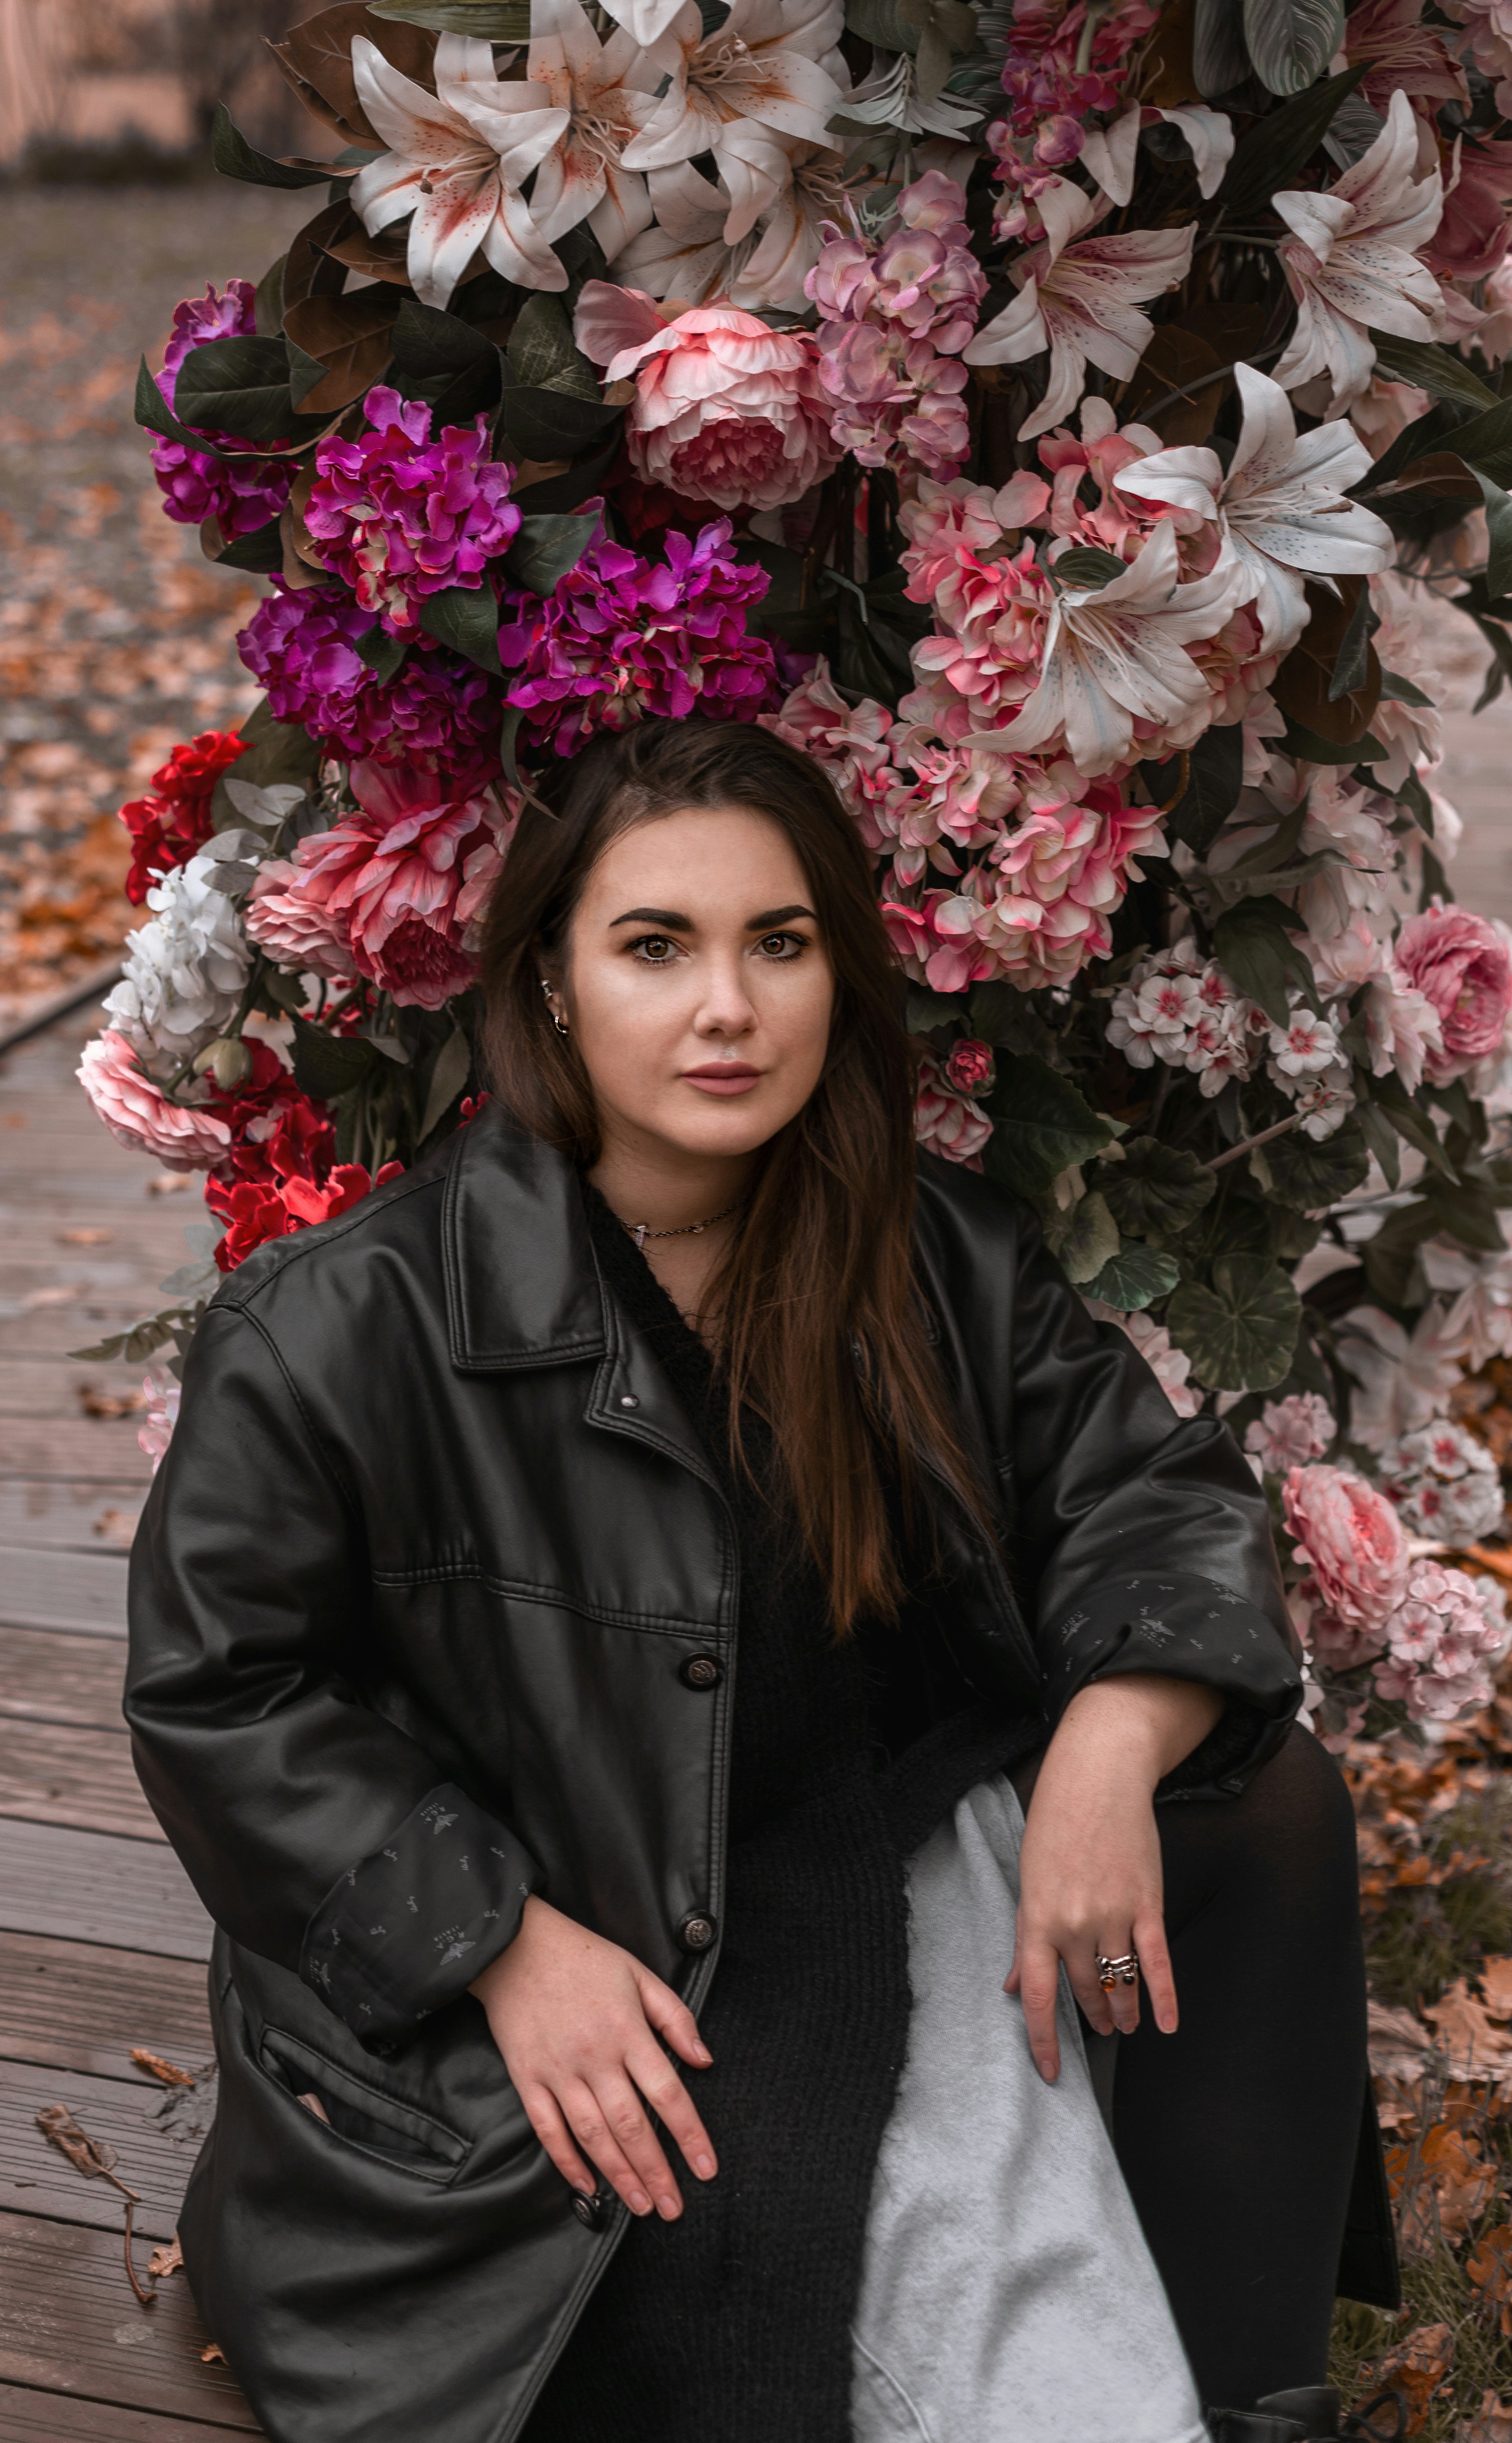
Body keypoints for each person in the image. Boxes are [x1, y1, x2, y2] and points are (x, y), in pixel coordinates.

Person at [125, 716, 1394, 2443]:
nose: (729, 1007)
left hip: (881, 1852)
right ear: (553, 984)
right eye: (657, 946)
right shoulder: (343, 1329)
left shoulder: (925, 1248)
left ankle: (1258, 2394)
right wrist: (492, 1941)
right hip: (596, 1941)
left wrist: (1111, 1737)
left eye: (778, 944)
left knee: (1252, 1806)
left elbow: (1156, 1493)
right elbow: (227, 1694)